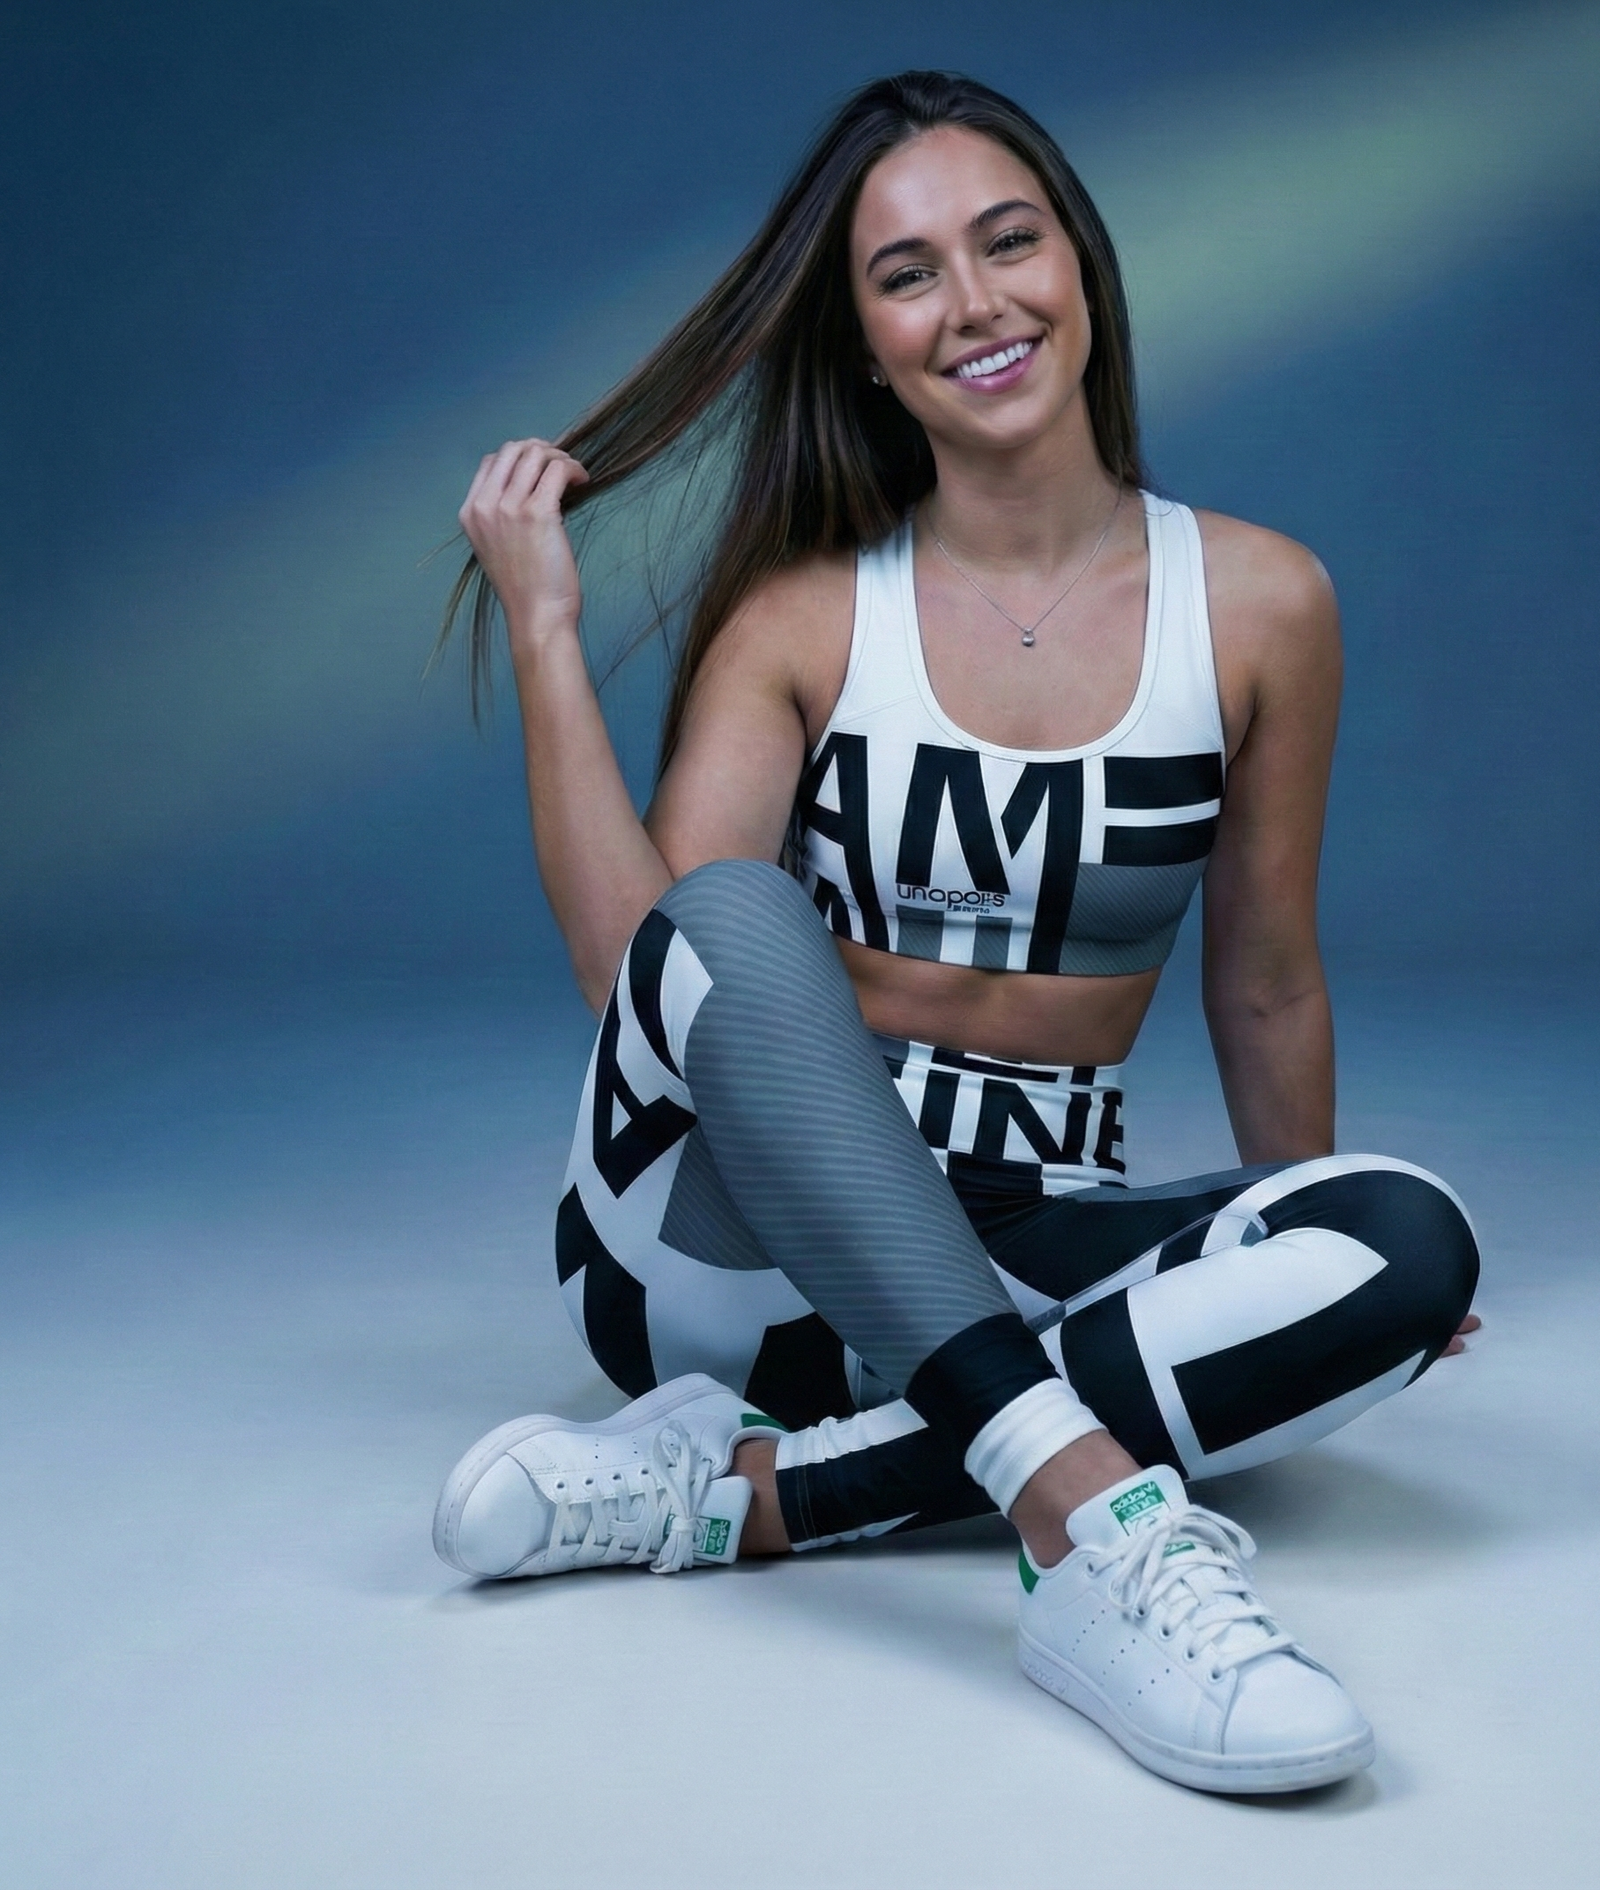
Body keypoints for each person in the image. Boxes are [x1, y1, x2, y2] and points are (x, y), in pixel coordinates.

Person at [429, 71, 1479, 1794]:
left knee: (1409, 1235)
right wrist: (550, 633)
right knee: (739, 910)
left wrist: (1302, 1242)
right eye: (909, 274)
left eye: (1010, 242)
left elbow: (1267, 971)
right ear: (862, 344)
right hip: (731, 1251)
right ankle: (1088, 1531)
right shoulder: (809, 613)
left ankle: (754, 1493)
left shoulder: (1266, 601)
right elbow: (660, 980)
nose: (976, 303)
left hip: (1023, 1232)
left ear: (1082, 267)